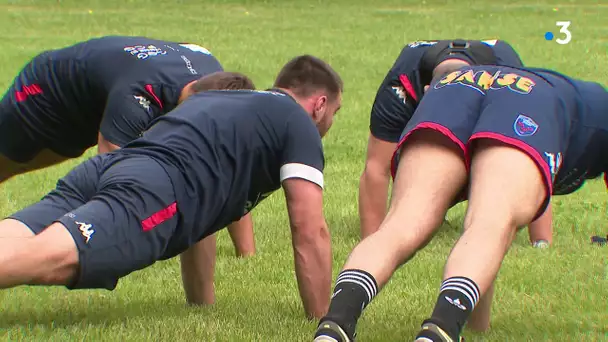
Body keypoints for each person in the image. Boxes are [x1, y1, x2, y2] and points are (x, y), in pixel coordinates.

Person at [0, 54, 343, 319]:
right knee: (51, 258)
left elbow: (203, 222)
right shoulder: (297, 122)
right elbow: (308, 228)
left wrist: (201, 307)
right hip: (151, 190)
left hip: (108, 167)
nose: (330, 123)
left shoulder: (225, 101)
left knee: (21, 233)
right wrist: (322, 321)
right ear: (319, 105)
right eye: (335, 113)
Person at [313, 64, 607, 342]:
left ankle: (335, 323)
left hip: (454, 88)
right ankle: (441, 329)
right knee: (491, 224)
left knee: (402, 224)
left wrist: (479, 326)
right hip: (533, 99)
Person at [0, 35, 256, 257]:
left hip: (98, 101)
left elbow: (223, 164)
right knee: (7, 164)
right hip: (48, 92)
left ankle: (246, 253)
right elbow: (110, 176)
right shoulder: (138, 96)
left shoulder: (216, 78)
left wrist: (247, 257)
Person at [359, 39, 553, 247]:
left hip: (495, 88)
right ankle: (428, 202)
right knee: (426, 155)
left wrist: (541, 241)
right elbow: (377, 168)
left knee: (502, 159)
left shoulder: (511, 84)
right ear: (427, 92)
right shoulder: (399, 89)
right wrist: (372, 242)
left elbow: (537, 158)